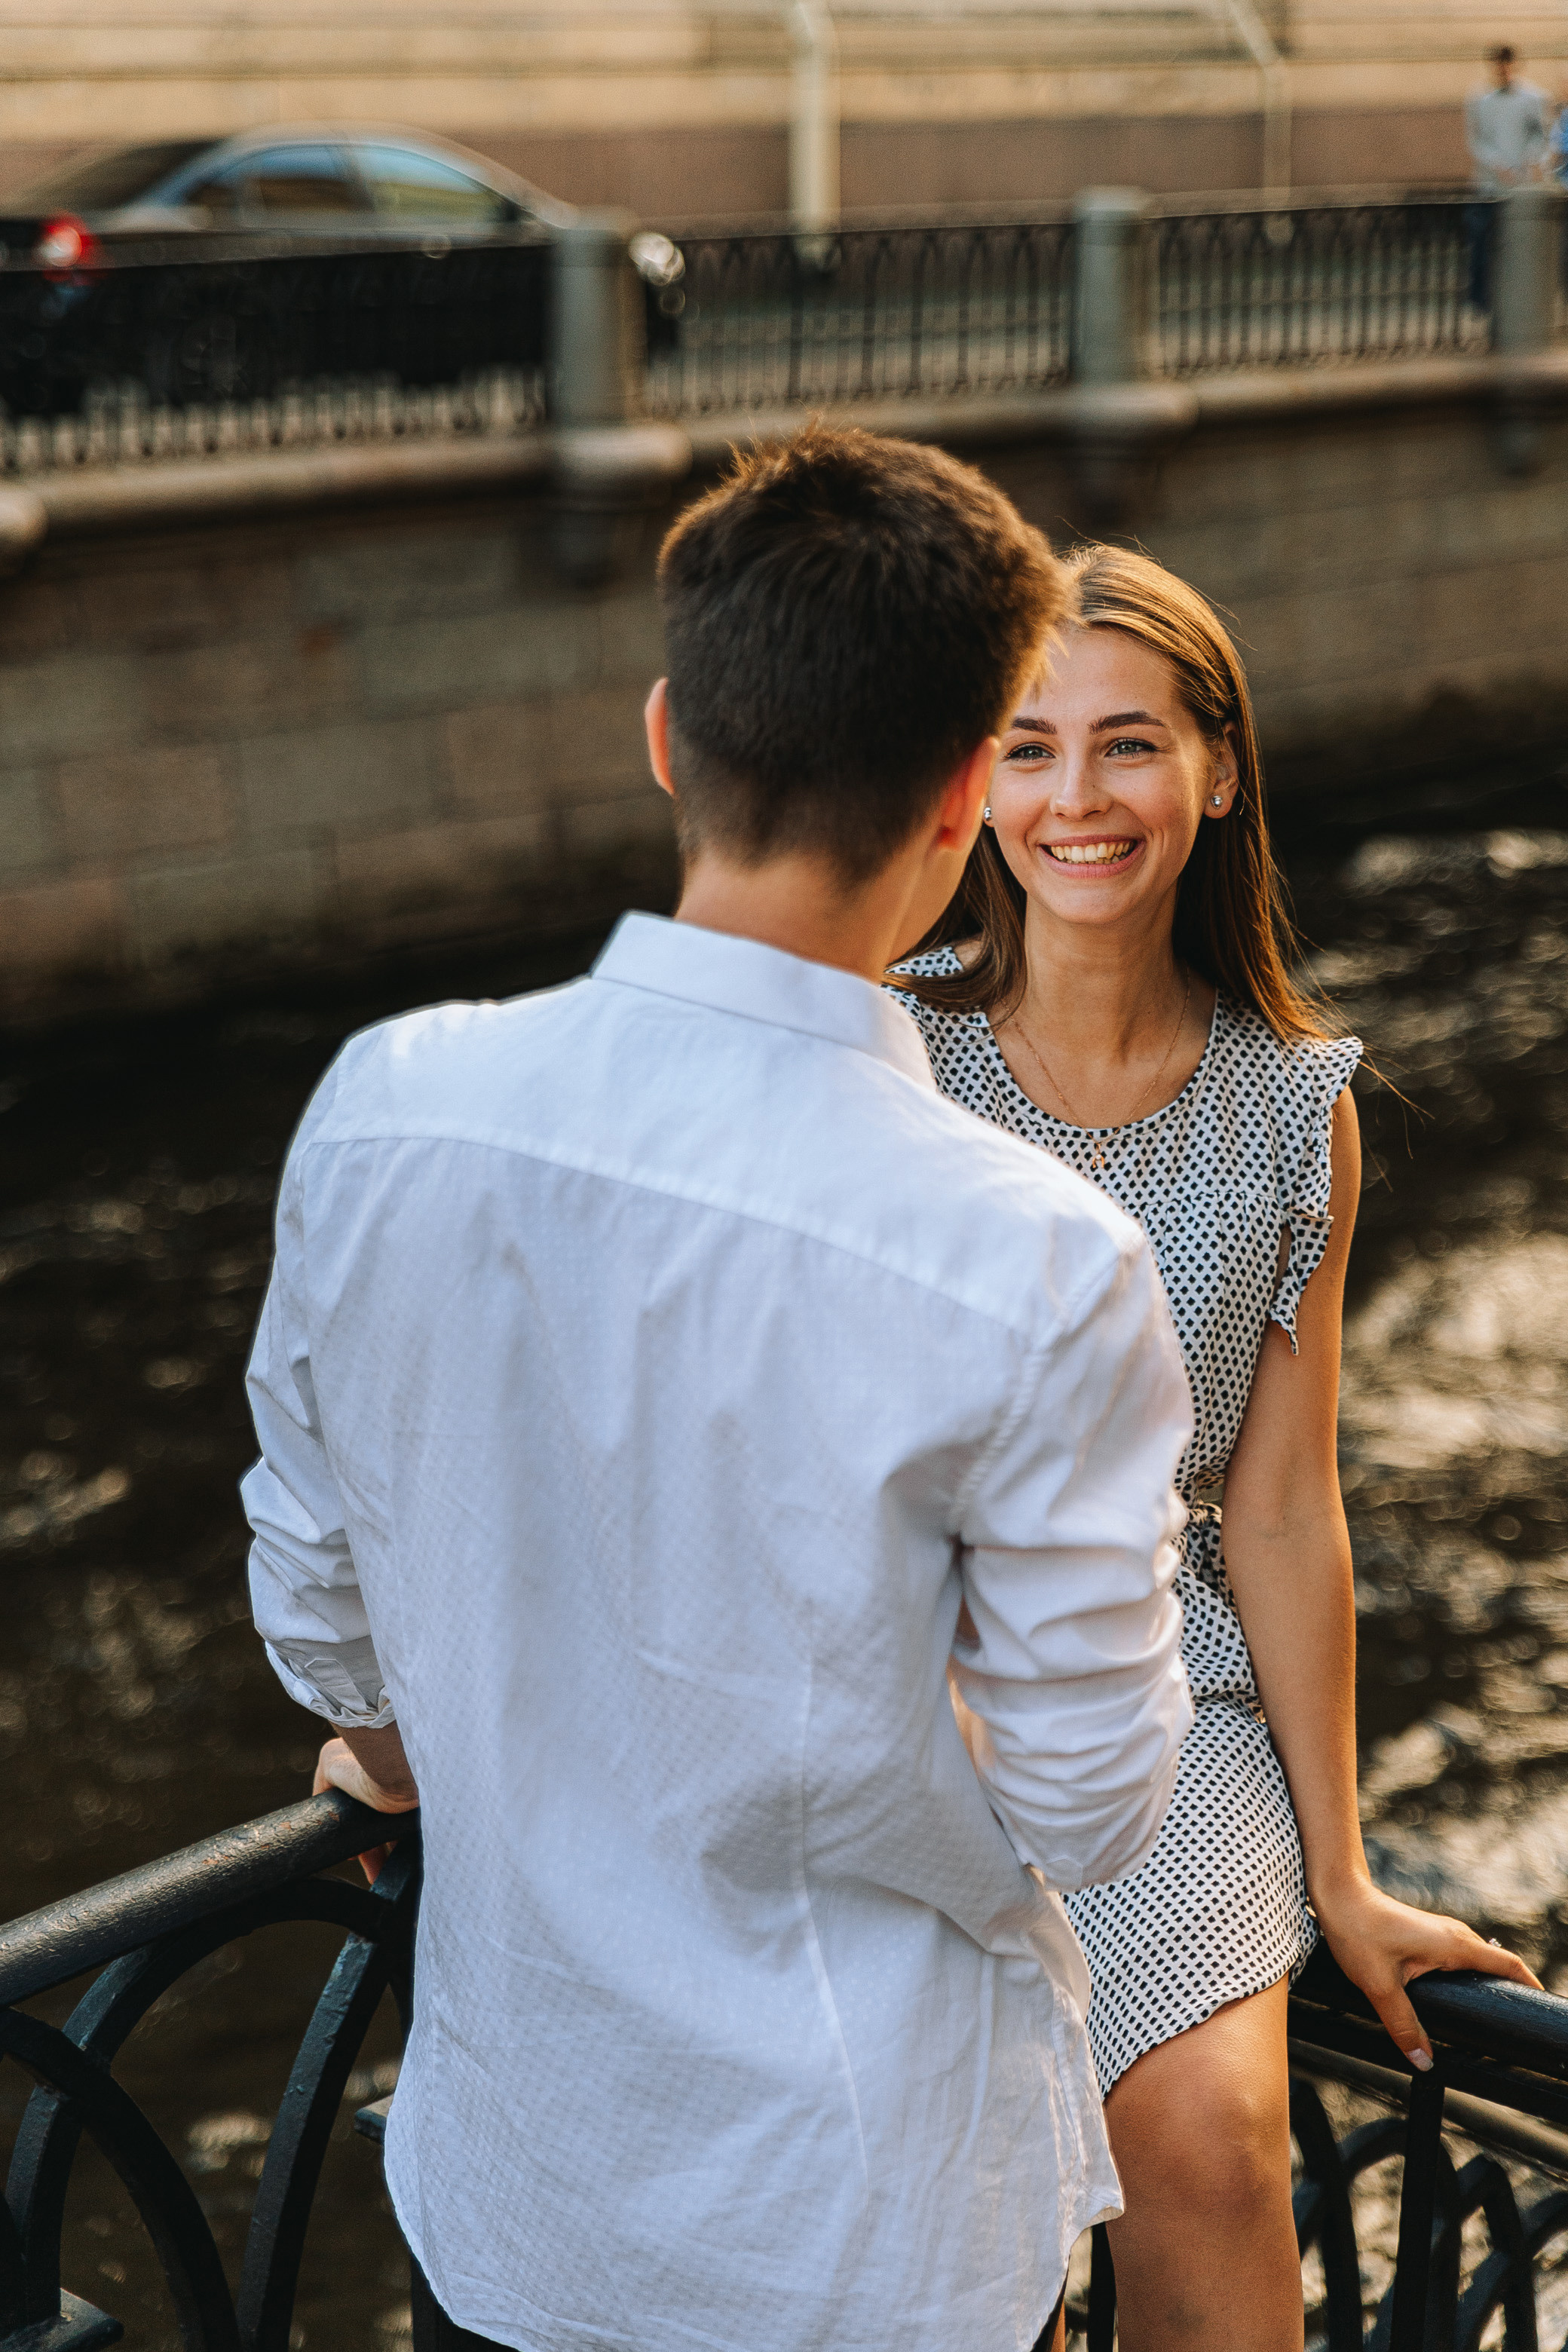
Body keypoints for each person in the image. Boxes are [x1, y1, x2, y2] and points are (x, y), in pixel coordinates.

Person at [243, 430, 1198, 2352]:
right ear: (965, 798)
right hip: (867, 2234)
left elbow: (324, 1610)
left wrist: (412, 1750)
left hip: (520, 2203)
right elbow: (1093, 1800)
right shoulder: (1035, 1257)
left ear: (669, 736)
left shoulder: (387, 1104)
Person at [893, 545, 1540, 2352]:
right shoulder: (884, 1047)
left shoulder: (1290, 1105)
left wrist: (1342, 1871)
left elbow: (1278, 1506)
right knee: (938, 2180)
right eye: (1030, 750)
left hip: (1165, 1694)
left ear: (1219, 768)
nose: (1077, 799)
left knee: (1210, 2139)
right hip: (899, 1687)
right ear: (976, 782)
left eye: (1128, 743)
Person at [1465, 44, 1551, 309]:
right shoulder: (1479, 99)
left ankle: (1522, 300)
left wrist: (1530, 161)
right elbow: (1476, 140)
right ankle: (1482, 301)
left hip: (1522, 188)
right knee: (1482, 244)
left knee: (1522, 247)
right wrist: (1497, 164)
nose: (1504, 70)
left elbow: (1541, 136)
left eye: (1508, 64)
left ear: (1516, 66)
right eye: (1499, 65)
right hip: (1489, 186)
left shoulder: (1535, 97)